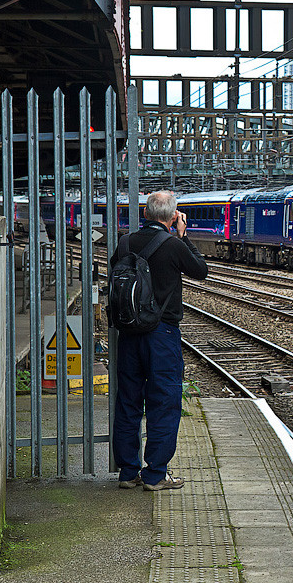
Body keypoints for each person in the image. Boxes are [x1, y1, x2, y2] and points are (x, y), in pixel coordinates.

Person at [111, 191, 208, 491]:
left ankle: (128, 472)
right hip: (162, 335)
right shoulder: (173, 245)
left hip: (128, 334)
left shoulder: (125, 243)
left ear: (146, 213)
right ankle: (155, 475)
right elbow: (200, 271)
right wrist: (184, 235)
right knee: (163, 403)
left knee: (127, 401)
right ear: (172, 216)